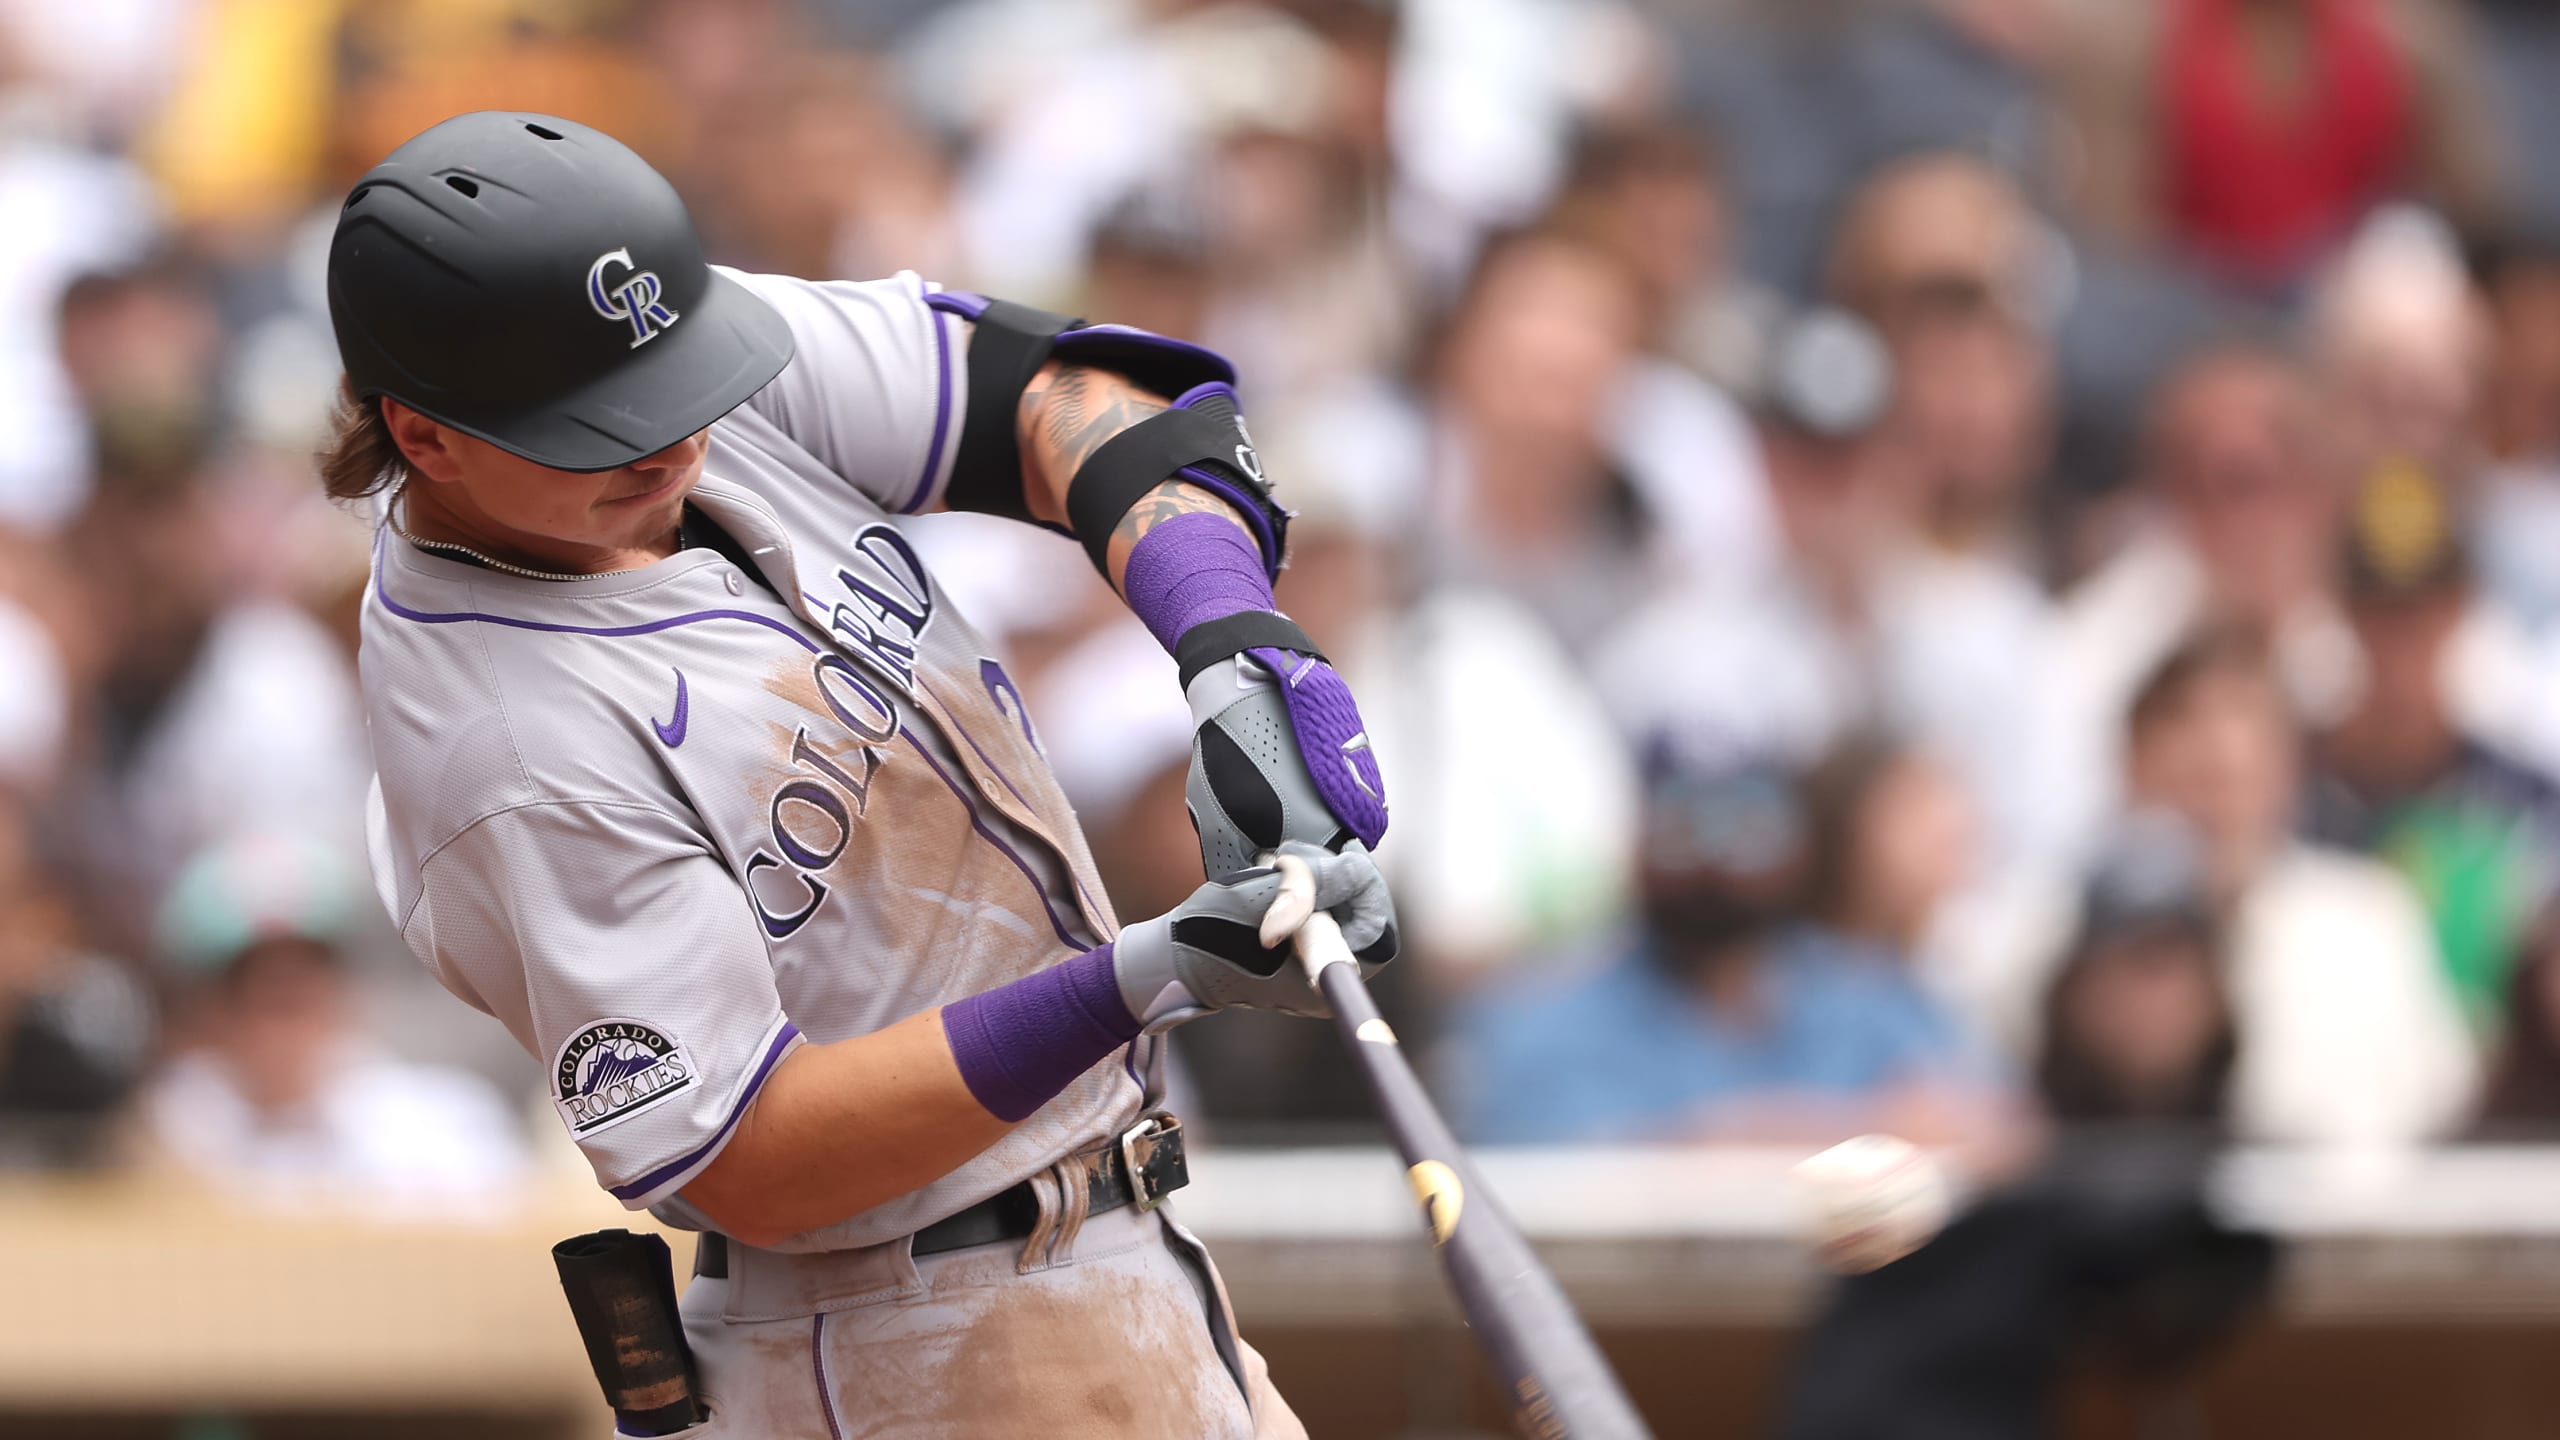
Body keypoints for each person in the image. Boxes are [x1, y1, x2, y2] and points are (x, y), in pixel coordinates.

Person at [327, 112, 1397, 1438]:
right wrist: (1146, 975)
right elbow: (753, 1160)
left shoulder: (656, 356)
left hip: (1108, 1263)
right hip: (907, 1338)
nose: (671, 441)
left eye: (675, 388)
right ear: (425, 436)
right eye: (603, 428)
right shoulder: (502, 746)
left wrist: (1226, 637)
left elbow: (1072, 394)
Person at [1446, 749, 2002, 1148]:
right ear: (1634, 846)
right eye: (1683, 829)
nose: (1715, 861)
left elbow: (1996, 1128)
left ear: (1801, 850)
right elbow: (1566, 1173)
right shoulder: (1539, 1019)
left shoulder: (1871, 997)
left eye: (1748, 827)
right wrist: (1868, 1130)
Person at [141, 834, 528, 1203]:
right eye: (245, 987)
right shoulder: (168, 1129)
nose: (275, 1018)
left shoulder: (444, 1128)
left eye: (298, 991)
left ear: (344, 989)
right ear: (207, 1010)